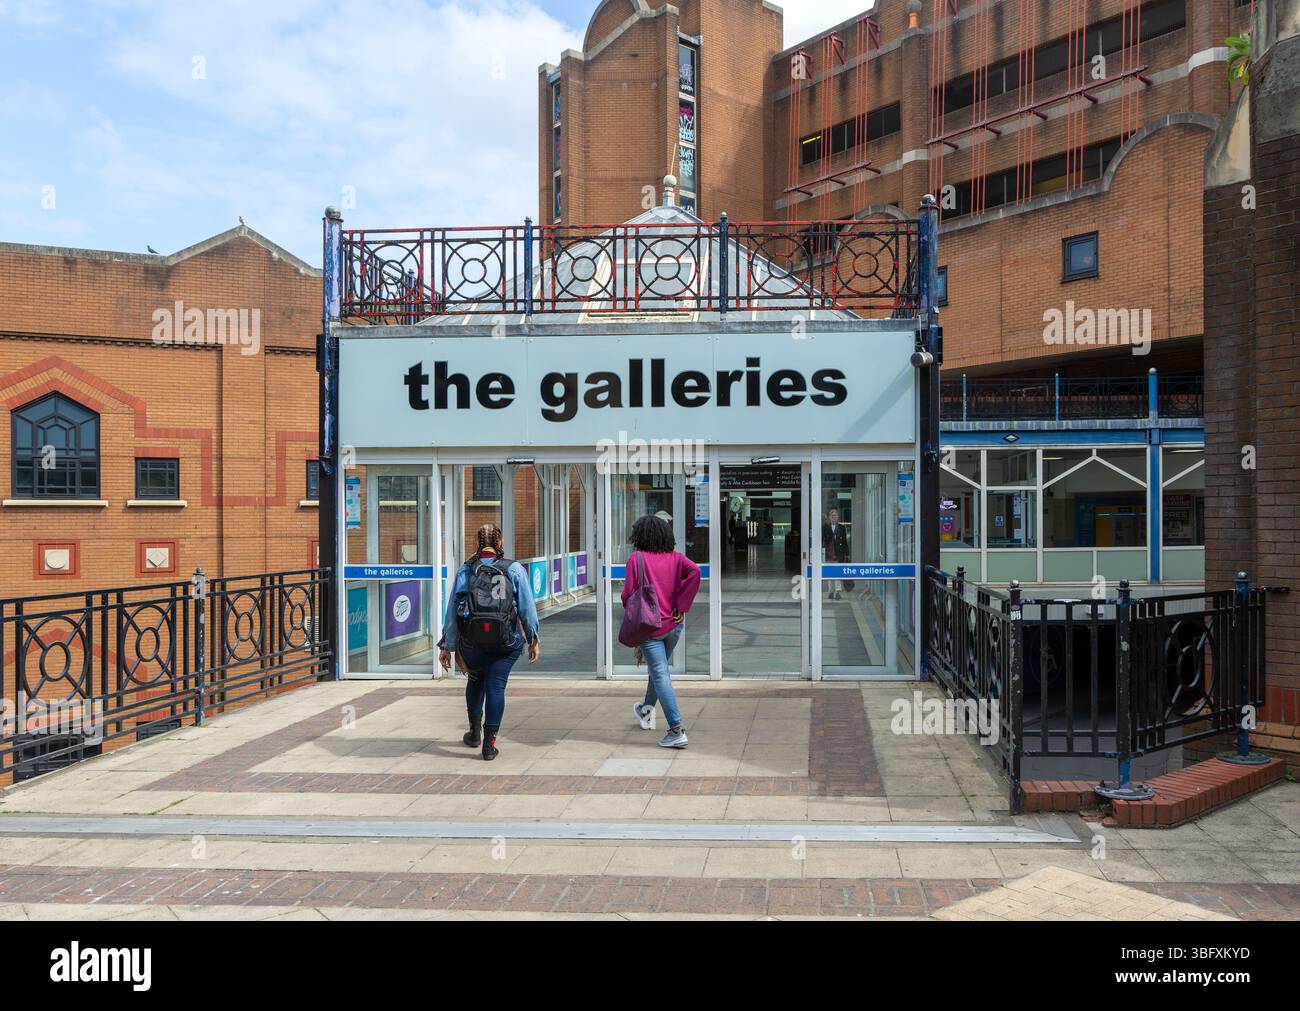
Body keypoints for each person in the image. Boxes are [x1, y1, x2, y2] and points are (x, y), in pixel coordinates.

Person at [438, 523, 540, 760]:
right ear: (501, 543)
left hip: (472, 643)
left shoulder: (466, 569)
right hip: (506, 642)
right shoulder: (513, 569)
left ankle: (474, 733)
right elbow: (527, 608)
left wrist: (448, 645)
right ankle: (489, 744)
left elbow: (453, 609)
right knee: (496, 686)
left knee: (475, 680)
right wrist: (533, 638)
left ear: (476, 543)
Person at [623, 514, 701, 748]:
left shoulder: (636, 560)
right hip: (674, 626)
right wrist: (681, 605)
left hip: (650, 628)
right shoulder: (677, 559)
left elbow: (628, 595)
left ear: (640, 536)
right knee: (658, 671)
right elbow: (695, 573)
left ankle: (676, 729)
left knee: (659, 673)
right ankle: (646, 711)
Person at [822, 508, 849, 600]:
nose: (834, 517)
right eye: (832, 515)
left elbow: (845, 541)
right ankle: (830, 591)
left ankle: (837, 591)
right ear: (829, 517)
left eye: (835, 515)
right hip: (829, 553)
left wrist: (847, 553)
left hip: (838, 553)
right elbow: (823, 540)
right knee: (830, 573)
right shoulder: (825, 527)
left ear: (837, 517)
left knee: (837, 573)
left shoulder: (841, 527)